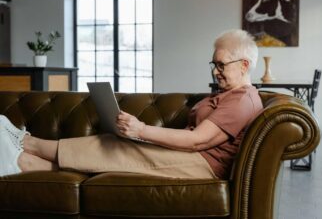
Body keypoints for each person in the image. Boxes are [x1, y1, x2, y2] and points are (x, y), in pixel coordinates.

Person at [0, 29, 263, 179]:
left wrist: (141, 130)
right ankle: (24, 162)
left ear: (244, 65)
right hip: (191, 157)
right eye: (213, 64)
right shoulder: (228, 94)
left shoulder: (242, 100)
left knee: (117, 147)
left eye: (221, 65)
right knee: (119, 146)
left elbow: (199, 141)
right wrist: (141, 133)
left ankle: (25, 142)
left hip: (200, 164)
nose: (215, 71)